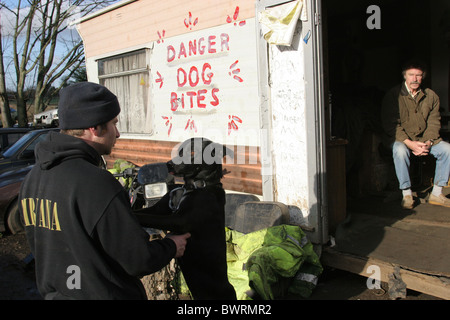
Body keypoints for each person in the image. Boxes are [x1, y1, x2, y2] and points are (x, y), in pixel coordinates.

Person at [18, 82, 190, 299]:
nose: (117, 133)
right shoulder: (96, 183)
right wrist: (171, 246)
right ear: (95, 128)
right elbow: (137, 259)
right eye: (114, 124)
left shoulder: (33, 179)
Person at [381, 60, 450, 209]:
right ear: (404, 76)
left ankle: (437, 193)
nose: (415, 79)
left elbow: (434, 122)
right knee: (400, 150)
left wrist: (428, 142)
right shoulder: (393, 95)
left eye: (418, 75)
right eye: (411, 75)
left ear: (422, 77)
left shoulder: (431, 96)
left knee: (447, 149)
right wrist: (410, 143)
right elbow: (391, 125)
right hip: (401, 139)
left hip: (425, 140)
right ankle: (406, 194)